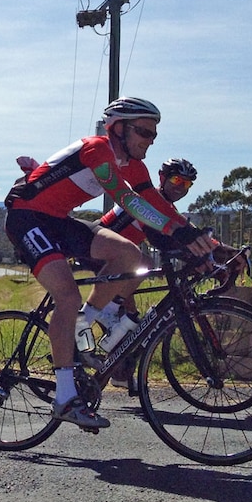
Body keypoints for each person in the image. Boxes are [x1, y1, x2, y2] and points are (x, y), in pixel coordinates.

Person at [4, 97, 217, 429]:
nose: (150, 140)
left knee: (132, 256)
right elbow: (128, 199)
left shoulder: (135, 166)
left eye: (154, 135)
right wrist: (179, 231)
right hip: (26, 217)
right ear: (118, 128)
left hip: (58, 219)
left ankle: (81, 327)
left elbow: (157, 205)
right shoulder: (97, 150)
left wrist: (196, 240)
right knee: (68, 295)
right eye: (144, 132)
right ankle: (64, 398)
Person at [92, 157, 198, 390]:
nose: (180, 187)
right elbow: (161, 239)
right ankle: (108, 310)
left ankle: (119, 372)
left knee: (132, 322)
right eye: (176, 180)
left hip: (119, 259)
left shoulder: (166, 207)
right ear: (162, 178)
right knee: (146, 262)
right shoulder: (148, 201)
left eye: (187, 184)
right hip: (100, 253)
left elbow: (176, 235)